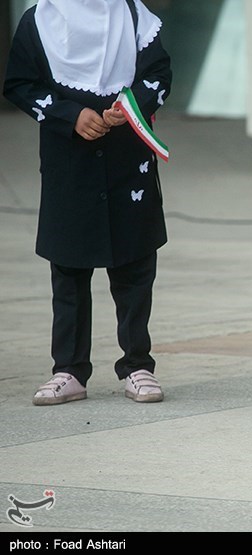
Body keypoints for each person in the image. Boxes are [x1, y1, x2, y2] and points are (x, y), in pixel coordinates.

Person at [3, 0, 172, 405]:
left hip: (127, 159)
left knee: (134, 266)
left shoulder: (133, 16)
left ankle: (137, 366)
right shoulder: (41, 20)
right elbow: (20, 83)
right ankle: (69, 370)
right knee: (69, 268)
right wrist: (69, 115)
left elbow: (159, 75)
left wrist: (130, 107)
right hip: (69, 162)